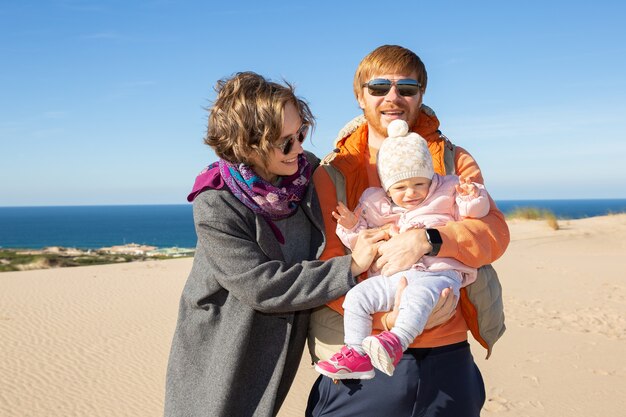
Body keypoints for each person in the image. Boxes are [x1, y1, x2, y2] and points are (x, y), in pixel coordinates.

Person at [163, 71, 386, 417]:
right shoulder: (216, 202)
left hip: (280, 344)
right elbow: (261, 285)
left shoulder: (307, 172)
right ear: (247, 143)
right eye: (285, 142)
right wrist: (351, 266)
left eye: (301, 134)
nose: (298, 148)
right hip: (222, 349)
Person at [306, 45, 510, 416]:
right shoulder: (333, 172)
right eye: (379, 87)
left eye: (408, 88)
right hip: (362, 354)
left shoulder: (453, 160)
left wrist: (429, 240)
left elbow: (493, 233)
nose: (393, 98)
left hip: (448, 352)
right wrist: (389, 321)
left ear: (421, 96)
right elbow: (327, 264)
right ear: (359, 95)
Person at [315, 119, 492, 380]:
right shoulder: (376, 204)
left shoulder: (448, 190)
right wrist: (352, 227)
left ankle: (396, 341)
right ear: (387, 188)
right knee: (358, 297)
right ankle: (357, 353)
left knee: (418, 296)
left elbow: (477, 215)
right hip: (394, 277)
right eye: (400, 187)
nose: (410, 193)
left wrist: (470, 197)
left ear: (431, 177)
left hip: (438, 274)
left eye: (419, 184)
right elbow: (361, 241)